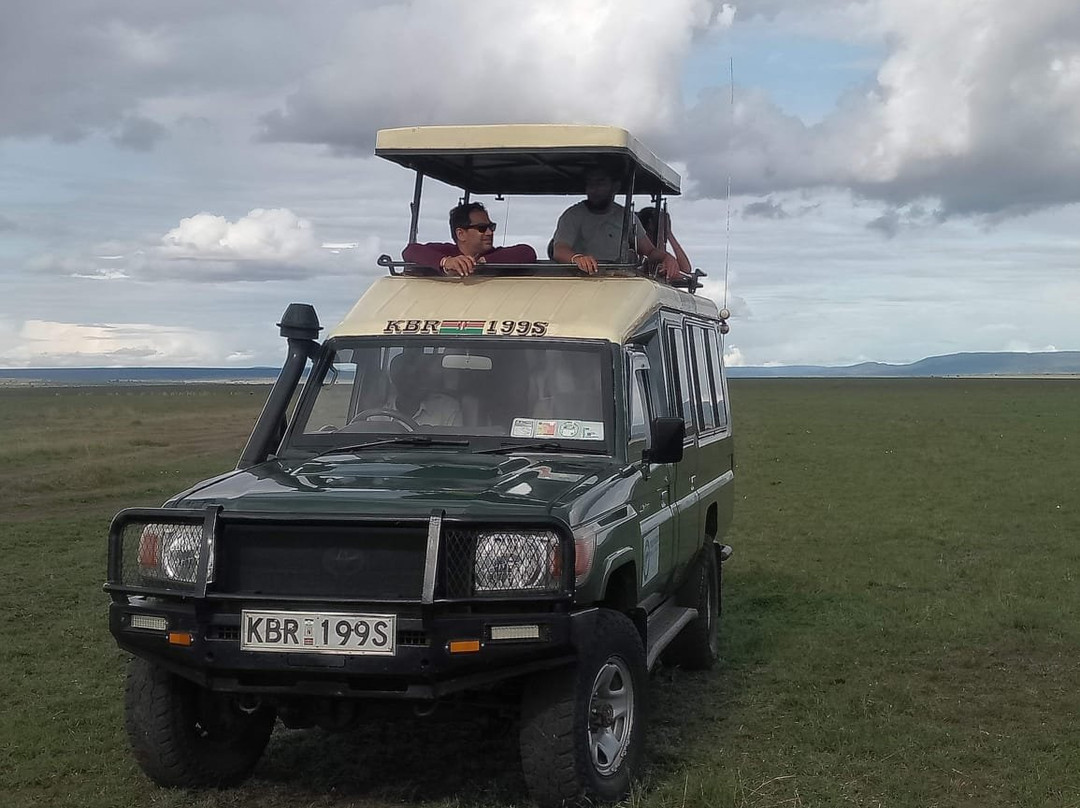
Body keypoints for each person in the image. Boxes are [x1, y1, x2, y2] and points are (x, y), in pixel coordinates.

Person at [551, 166, 684, 281]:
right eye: (590, 184)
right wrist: (577, 258)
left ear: (615, 187)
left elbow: (649, 251)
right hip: (580, 280)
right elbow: (559, 250)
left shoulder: (627, 217)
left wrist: (667, 257)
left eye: (600, 183)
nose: (593, 189)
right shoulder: (572, 215)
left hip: (617, 282)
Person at [402, 202, 536, 277]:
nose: (490, 233)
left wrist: (482, 263)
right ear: (461, 234)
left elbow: (527, 252)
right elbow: (411, 250)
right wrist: (446, 262)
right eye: (482, 228)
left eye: (491, 227)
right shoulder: (446, 252)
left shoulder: (497, 255)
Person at [637, 207, 693, 277]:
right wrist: (664, 233)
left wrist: (669, 233)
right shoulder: (643, 251)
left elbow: (685, 269)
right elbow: (685, 270)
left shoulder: (661, 254)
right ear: (650, 223)